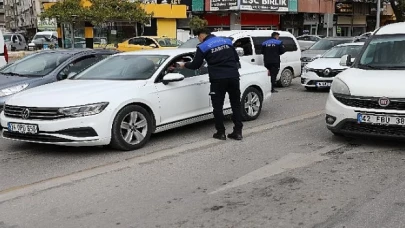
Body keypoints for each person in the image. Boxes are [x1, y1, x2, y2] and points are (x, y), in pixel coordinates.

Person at [177, 28, 243, 141]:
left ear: (201, 36)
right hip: (233, 77)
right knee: (236, 105)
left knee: (218, 107)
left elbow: (195, 65)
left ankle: (221, 132)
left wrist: (184, 65)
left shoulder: (203, 47)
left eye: (198, 38)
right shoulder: (227, 41)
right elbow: (236, 59)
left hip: (218, 79)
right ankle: (238, 132)